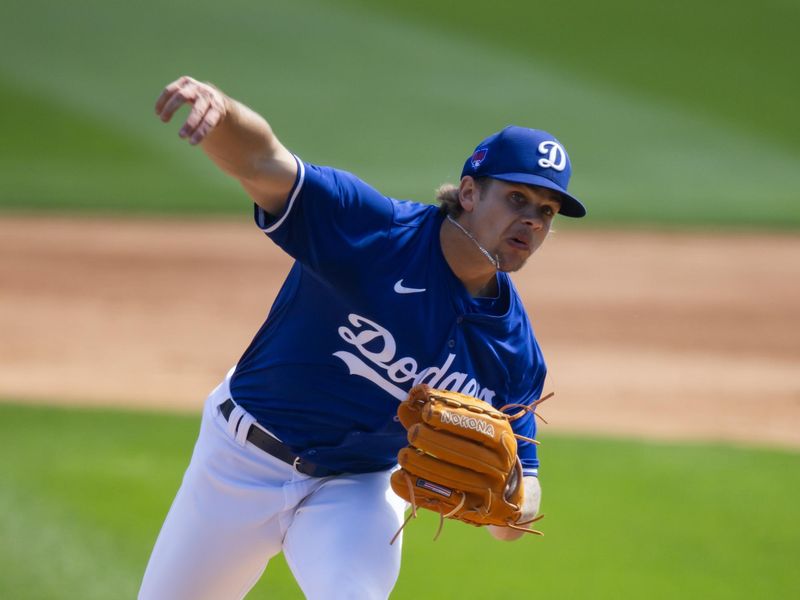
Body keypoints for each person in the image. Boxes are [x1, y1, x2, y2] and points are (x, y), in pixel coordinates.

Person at [139, 75, 587, 600]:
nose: (531, 221)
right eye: (517, 198)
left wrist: (510, 500)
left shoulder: (514, 352)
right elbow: (264, 163)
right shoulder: (373, 233)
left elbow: (513, 513)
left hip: (355, 488)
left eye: (545, 212)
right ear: (468, 192)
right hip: (240, 462)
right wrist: (224, 113)